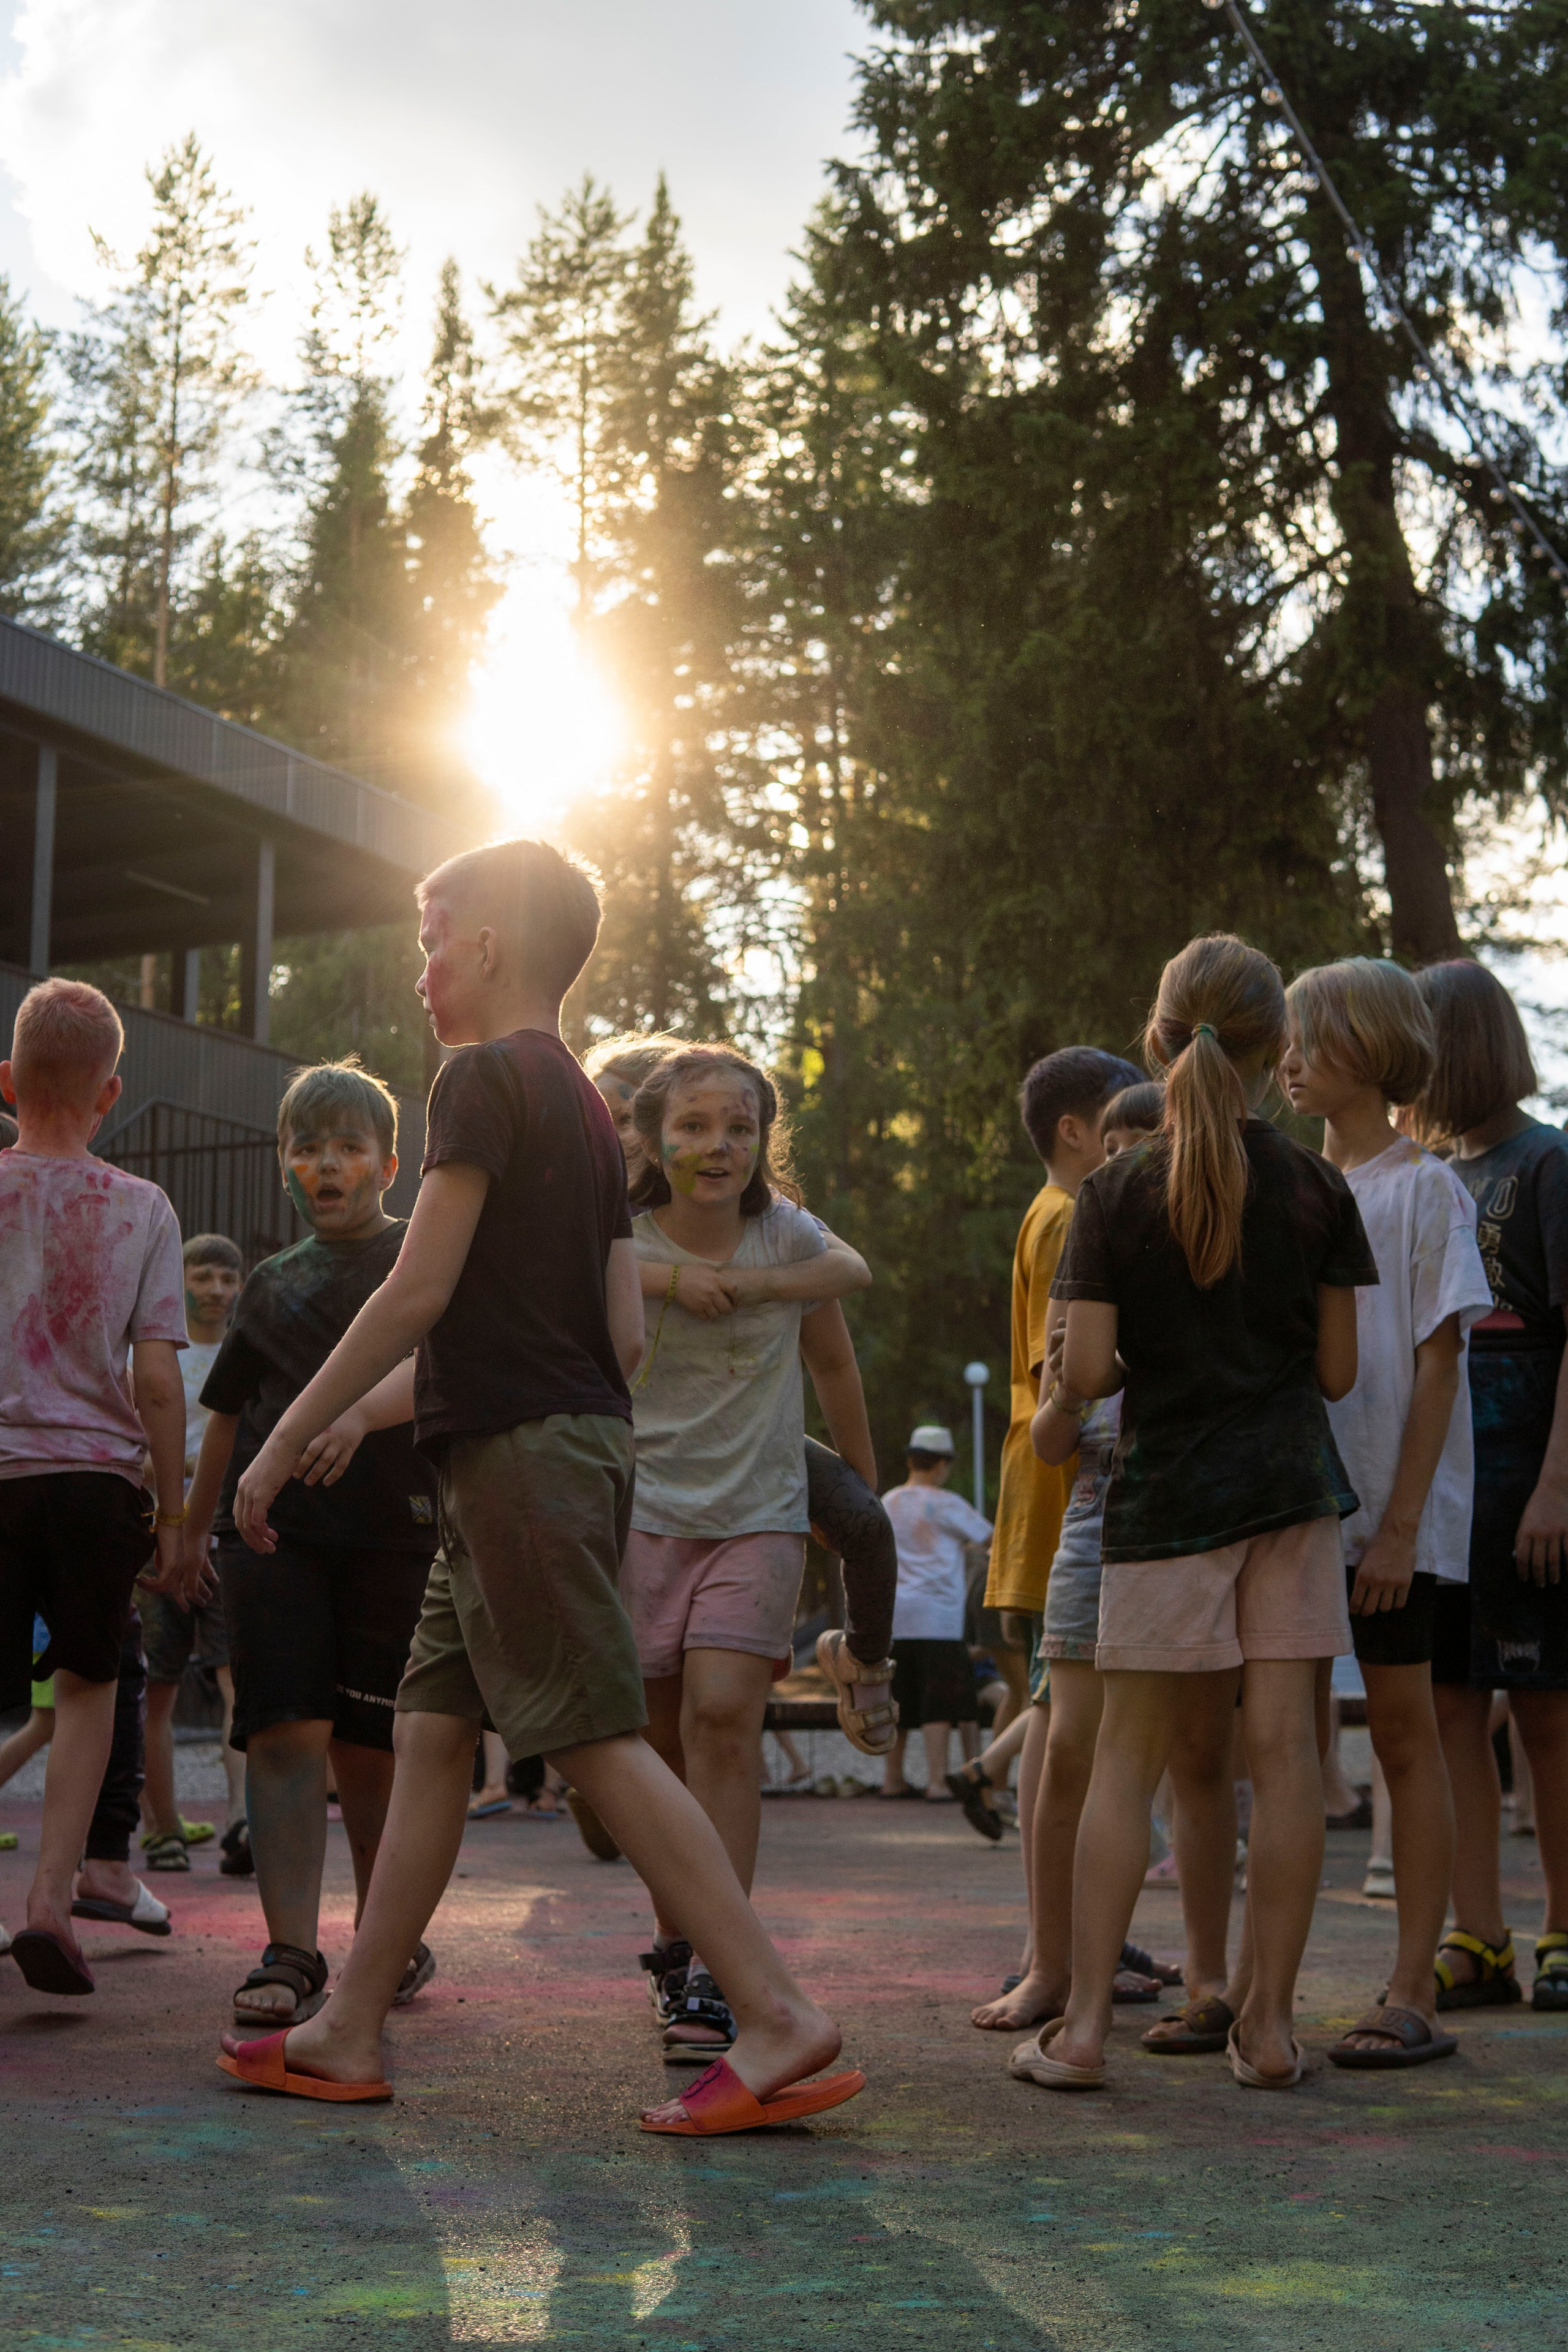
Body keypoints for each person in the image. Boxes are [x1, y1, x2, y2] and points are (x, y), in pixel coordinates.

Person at [216, 838, 863, 2136]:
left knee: (593, 1738)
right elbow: (620, 1337)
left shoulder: (477, 1080)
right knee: (435, 1733)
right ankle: (346, 2026)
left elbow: (419, 1288)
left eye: (431, 932)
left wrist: (288, 1432)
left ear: (492, 945)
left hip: (519, 1459)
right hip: (537, 1451)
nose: (420, 965)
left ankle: (777, 2014)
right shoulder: (576, 1098)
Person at [1013, 933, 1374, 2092]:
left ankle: (1078, 2039)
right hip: (1290, 1493)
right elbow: (1334, 1376)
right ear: (1279, 1052)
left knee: (1127, 1760)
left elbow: (1093, 1374)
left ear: (1161, 1039)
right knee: (1288, 1762)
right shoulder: (1321, 1187)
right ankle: (1266, 2033)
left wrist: (1086, 1375)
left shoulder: (1113, 1192)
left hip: (1166, 1501)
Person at [618, 1041, 885, 2061]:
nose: (716, 1145)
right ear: (651, 1138)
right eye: (691, 1126)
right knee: (655, 1747)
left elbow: (841, 1325)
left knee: (723, 1720)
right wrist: (675, 1278)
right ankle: (676, 1936)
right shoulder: (624, 1241)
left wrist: (856, 1497)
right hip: (641, 1518)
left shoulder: (788, 1240)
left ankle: (715, 1978)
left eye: (738, 1126)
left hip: (759, 1514)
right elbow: (581, 1281)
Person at [184, 1060, 442, 2027]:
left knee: (373, 1748)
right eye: (307, 1148)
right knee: (286, 1730)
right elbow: (225, 1418)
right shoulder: (269, 1286)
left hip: (397, 1537)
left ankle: (388, 1940)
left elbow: (448, 1365)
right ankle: (292, 1951)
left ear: (388, 1163)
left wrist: (360, 1421)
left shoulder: (421, 1262)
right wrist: (188, 1534)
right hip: (272, 1534)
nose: (326, 1165)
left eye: (347, 1148)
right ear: (283, 1164)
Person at [1278, 957, 1490, 2067]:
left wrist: (1402, 1527)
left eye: (1312, 1038)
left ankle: (1415, 1988)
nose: (1290, 1061)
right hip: (1292, 1514)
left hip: (1393, 1521)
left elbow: (1440, 1363)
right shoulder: (1289, 1186)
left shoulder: (1425, 1189)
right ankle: (1268, 1992)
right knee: (1290, 1746)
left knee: (1407, 1737)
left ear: (1370, 1046)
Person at [972, 1079, 1185, 2035]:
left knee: (1171, 1757)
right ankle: (1053, 1959)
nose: (1133, 1166)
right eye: (1119, 1145)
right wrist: (1071, 1384)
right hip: (1084, 1508)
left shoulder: (1205, 1240)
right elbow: (1061, 1398)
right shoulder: (1073, 1221)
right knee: (1066, 1739)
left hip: (1184, 1514)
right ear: (1091, 1145)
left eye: (1155, 1145)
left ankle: (1187, 1973)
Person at [0, 978, 188, 1997]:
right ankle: (47, 1903)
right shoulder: (142, 1208)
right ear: (110, 1094)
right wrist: (175, 1518)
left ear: (4, 1083)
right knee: (84, 1695)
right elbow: (157, 1381)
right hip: (91, 1482)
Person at [1411, 960, 1568, 2013]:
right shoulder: (1428, 1174)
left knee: (1547, 1712)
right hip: (1444, 1493)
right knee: (1449, 1709)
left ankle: (1563, 1929)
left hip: (1531, 1484)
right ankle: (1479, 1936)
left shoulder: (1549, 1161)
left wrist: (1558, 1488)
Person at [139, 1232, 247, 1873]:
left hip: (225, 1543)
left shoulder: (242, 1354)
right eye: (204, 1277)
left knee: (239, 1680)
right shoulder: (158, 1354)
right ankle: (163, 1828)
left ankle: (241, 1818)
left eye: (227, 1279)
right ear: (181, 1280)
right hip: (158, 1541)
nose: (216, 1291)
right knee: (158, 1689)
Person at [881, 1427, 992, 1800]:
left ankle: (892, 1779)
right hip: (939, 1619)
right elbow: (991, 1538)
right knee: (939, 1701)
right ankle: (937, 1781)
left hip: (896, 1618)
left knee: (898, 1700)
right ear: (942, 1463)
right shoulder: (947, 1503)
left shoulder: (888, 1501)